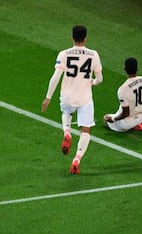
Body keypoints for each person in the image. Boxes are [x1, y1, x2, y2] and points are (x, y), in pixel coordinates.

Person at [41, 25, 103, 174]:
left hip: (67, 95)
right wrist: (92, 82)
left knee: (67, 113)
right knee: (86, 130)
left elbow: (55, 77)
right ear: (86, 38)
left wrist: (48, 97)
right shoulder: (93, 54)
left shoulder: (64, 54)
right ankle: (76, 159)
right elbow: (100, 79)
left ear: (72, 37)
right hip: (85, 97)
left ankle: (67, 133)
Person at [103, 57, 142, 132]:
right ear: (137, 68)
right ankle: (141, 122)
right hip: (141, 116)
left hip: (126, 124)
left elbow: (125, 114)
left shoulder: (123, 89)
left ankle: (136, 126)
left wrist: (113, 119)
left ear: (125, 69)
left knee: (106, 118)